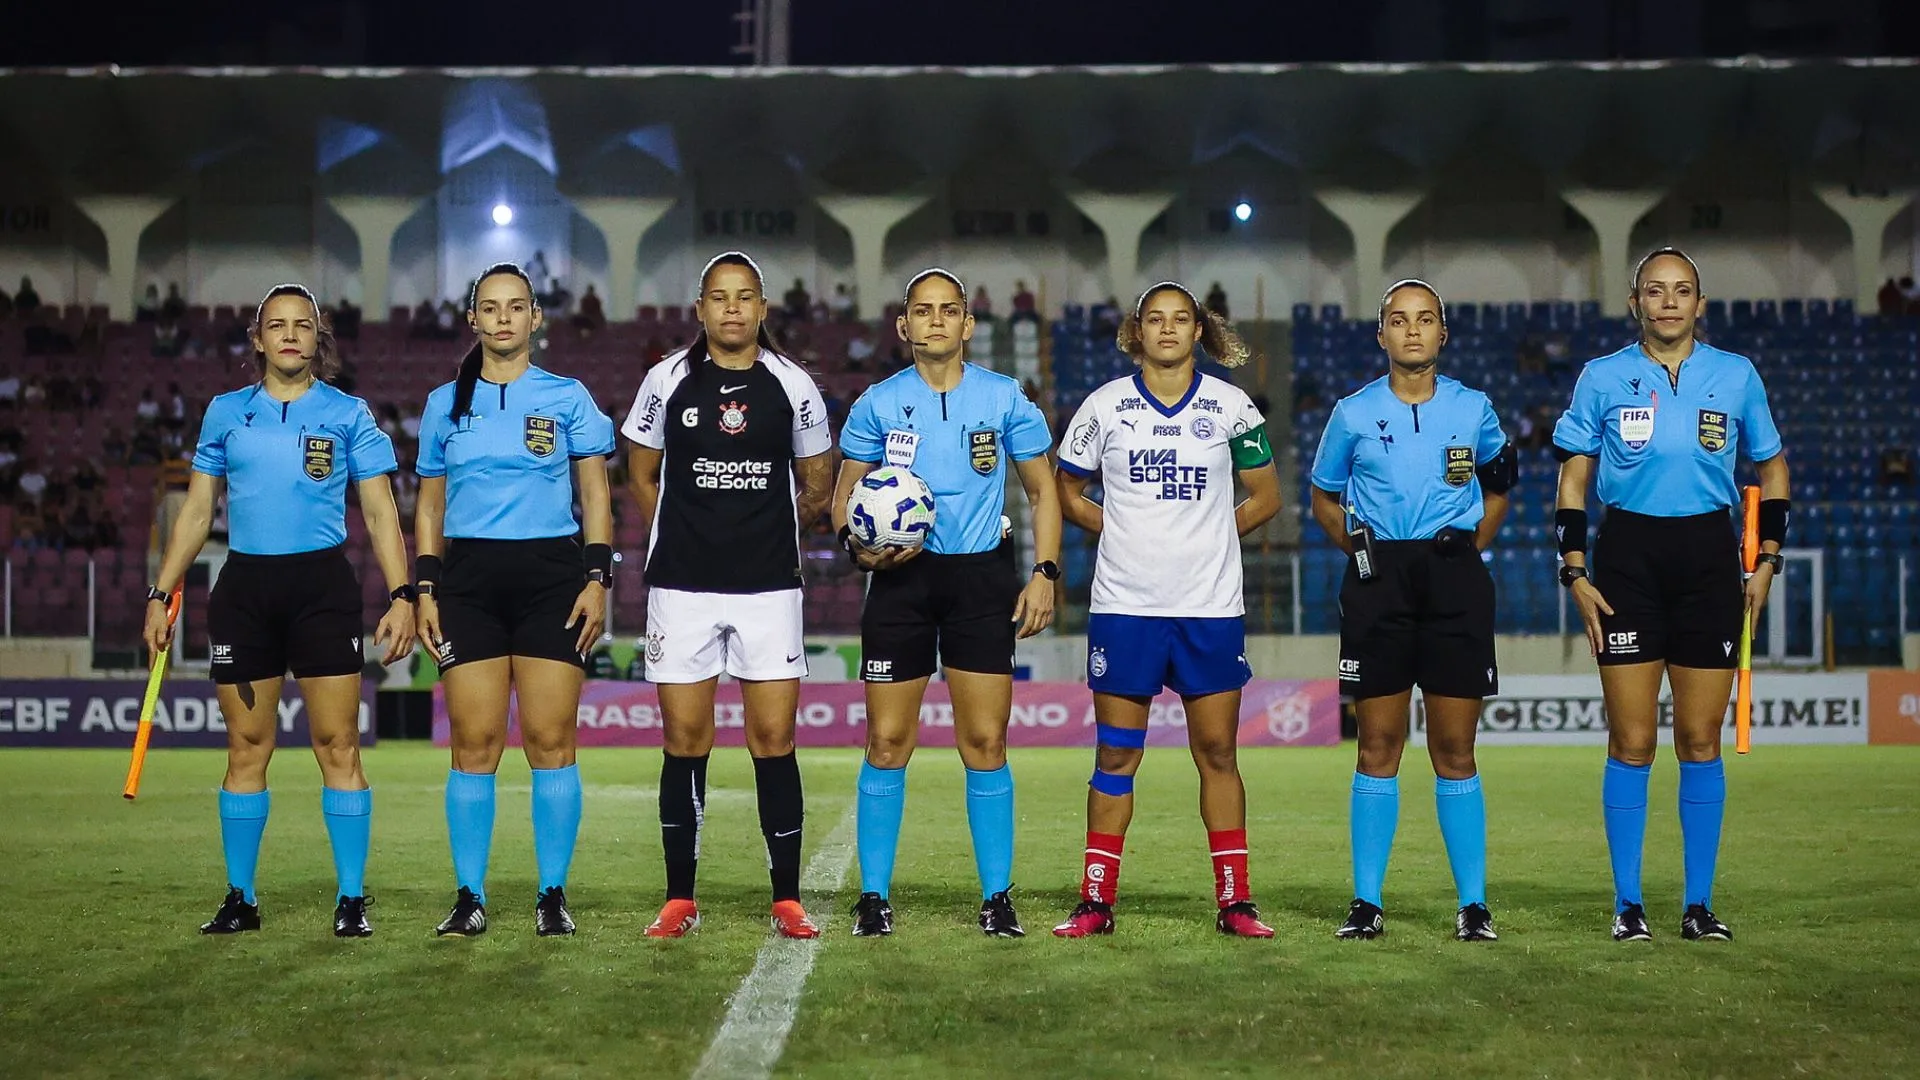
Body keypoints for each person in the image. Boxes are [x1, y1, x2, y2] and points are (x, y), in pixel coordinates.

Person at [144, 283, 416, 937]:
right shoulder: (224, 413)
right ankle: (241, 898)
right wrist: (161, 592)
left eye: (302, 325)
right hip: (245, 595)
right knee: (246, 749)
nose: (289, 335)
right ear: (259, 339)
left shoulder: (349, 414)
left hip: (322, 591)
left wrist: (403, 595)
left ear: (317, 339)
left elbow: (379, 512)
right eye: (276, 325)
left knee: (338, 745)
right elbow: (199, 511)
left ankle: (351, 900)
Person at [1552, 247, 1787, 943]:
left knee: (1699, 738)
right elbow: (1572, 484)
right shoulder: (1602, 378)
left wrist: (1767, 560)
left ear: (1700, 304)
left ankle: (1698, 905)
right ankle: (1628, 904)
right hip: (1626, 562)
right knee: (1631, 741)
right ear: (1636, 302)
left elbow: (1773, 469)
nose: (1669, 302)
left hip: (1711, 563)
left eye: (1682, 291)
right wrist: (1574, 570)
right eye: (1655, 291)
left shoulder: (1736, 376)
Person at [829, 268, 1061, 938]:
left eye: (948, 310)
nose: (935, 321)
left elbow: (1043, 494)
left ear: (967, 324)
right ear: (903, 326)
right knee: (887, 740)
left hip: (982, 581)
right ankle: (873, 897)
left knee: (985, 741)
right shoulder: (876, 402)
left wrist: (1043, 572)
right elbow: (843, 498)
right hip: (900, 582)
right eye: (921, 311)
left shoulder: (1005, 397)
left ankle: (997, 897)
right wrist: (857, 545)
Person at [1049, 282, 1283, 940]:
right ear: (1138, 332)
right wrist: (1116, 527)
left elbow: (1265, 497)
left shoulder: (1232, 407)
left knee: (1217, 754)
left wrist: (1208, 532)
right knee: (1116, 756)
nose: (1169, 329)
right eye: (1156, 319)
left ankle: (1236, 902)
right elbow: (1066, 488)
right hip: (1126, 608)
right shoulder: (1106, 406)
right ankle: (1095, 901)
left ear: (1199, 331)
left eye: (1182, 319)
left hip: (1208, 609)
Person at [622, 251, 835, 939]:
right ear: (701, 309)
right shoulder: (667, 380)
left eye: (746, 297)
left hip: (769, 585)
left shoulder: (792, 384)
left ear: (764, 309)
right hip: (681, 586)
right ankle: (680, 896)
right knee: (685, 738)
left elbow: (818, 482)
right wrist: (684, 528)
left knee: (773, 738)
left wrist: (769, 524)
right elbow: (641, 470)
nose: (733, 309)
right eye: (720, 297)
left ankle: (787, 898)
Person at [1308, 279, 1515, 941]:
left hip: (1454, 577)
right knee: (1378, 745)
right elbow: (1322, 497)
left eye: (1426, 320)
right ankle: (1367, 903)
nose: (1414, 331)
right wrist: (1365, 555)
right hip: (1379, 584)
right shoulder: (1352, 412)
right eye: (1400, 321)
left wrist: (1469, 548)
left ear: (1443, 333)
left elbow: (1500, 482)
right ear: (1382, 334)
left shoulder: (1475, 408)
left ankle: (1474, 905)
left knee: (1456, 748)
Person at [414, 262, 615, 938]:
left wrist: (598, 577)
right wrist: (424, 585)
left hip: (552, 576)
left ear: (536, 319)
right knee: (474, 741)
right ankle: (469, 896)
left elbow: (594, 495)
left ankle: (552, 895)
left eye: (516, 307)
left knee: (551, 740)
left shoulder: (569, 397)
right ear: (473, 319)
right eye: (490, 308)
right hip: (467, 580)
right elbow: (431, 501)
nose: (503, 318)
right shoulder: (446, 402)